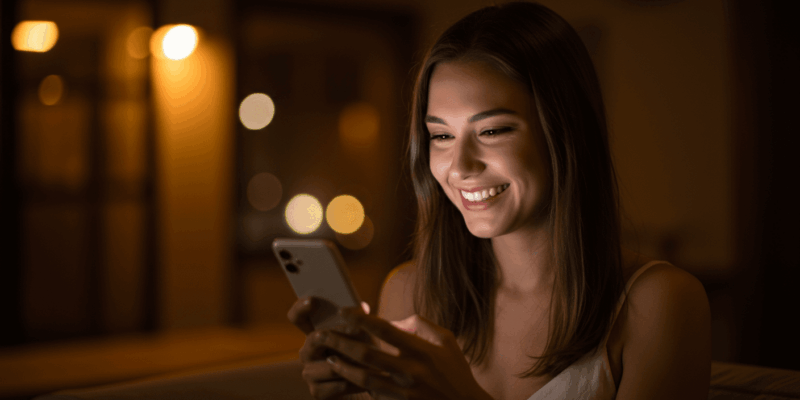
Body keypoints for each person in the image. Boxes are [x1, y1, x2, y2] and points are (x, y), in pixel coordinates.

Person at [288, 2, 712, 399]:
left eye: (492, 131)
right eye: (441, 136)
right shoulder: (411, 294)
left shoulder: (659, 303)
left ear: (564, 132)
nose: (459, 167)